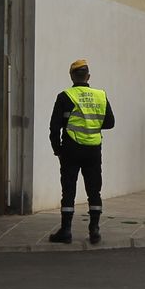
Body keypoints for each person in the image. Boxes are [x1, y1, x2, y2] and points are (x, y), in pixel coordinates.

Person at [48, 59, 115, 243]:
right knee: (94, 190)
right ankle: (94, 230)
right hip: (93, 149)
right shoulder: (101, 95)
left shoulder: (65, 96)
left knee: (68, 190)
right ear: (88, 76)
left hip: (71, 149)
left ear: (71, 76)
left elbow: (54, 127)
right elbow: (110, 123)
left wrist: (57, 150)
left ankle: (66, 231)